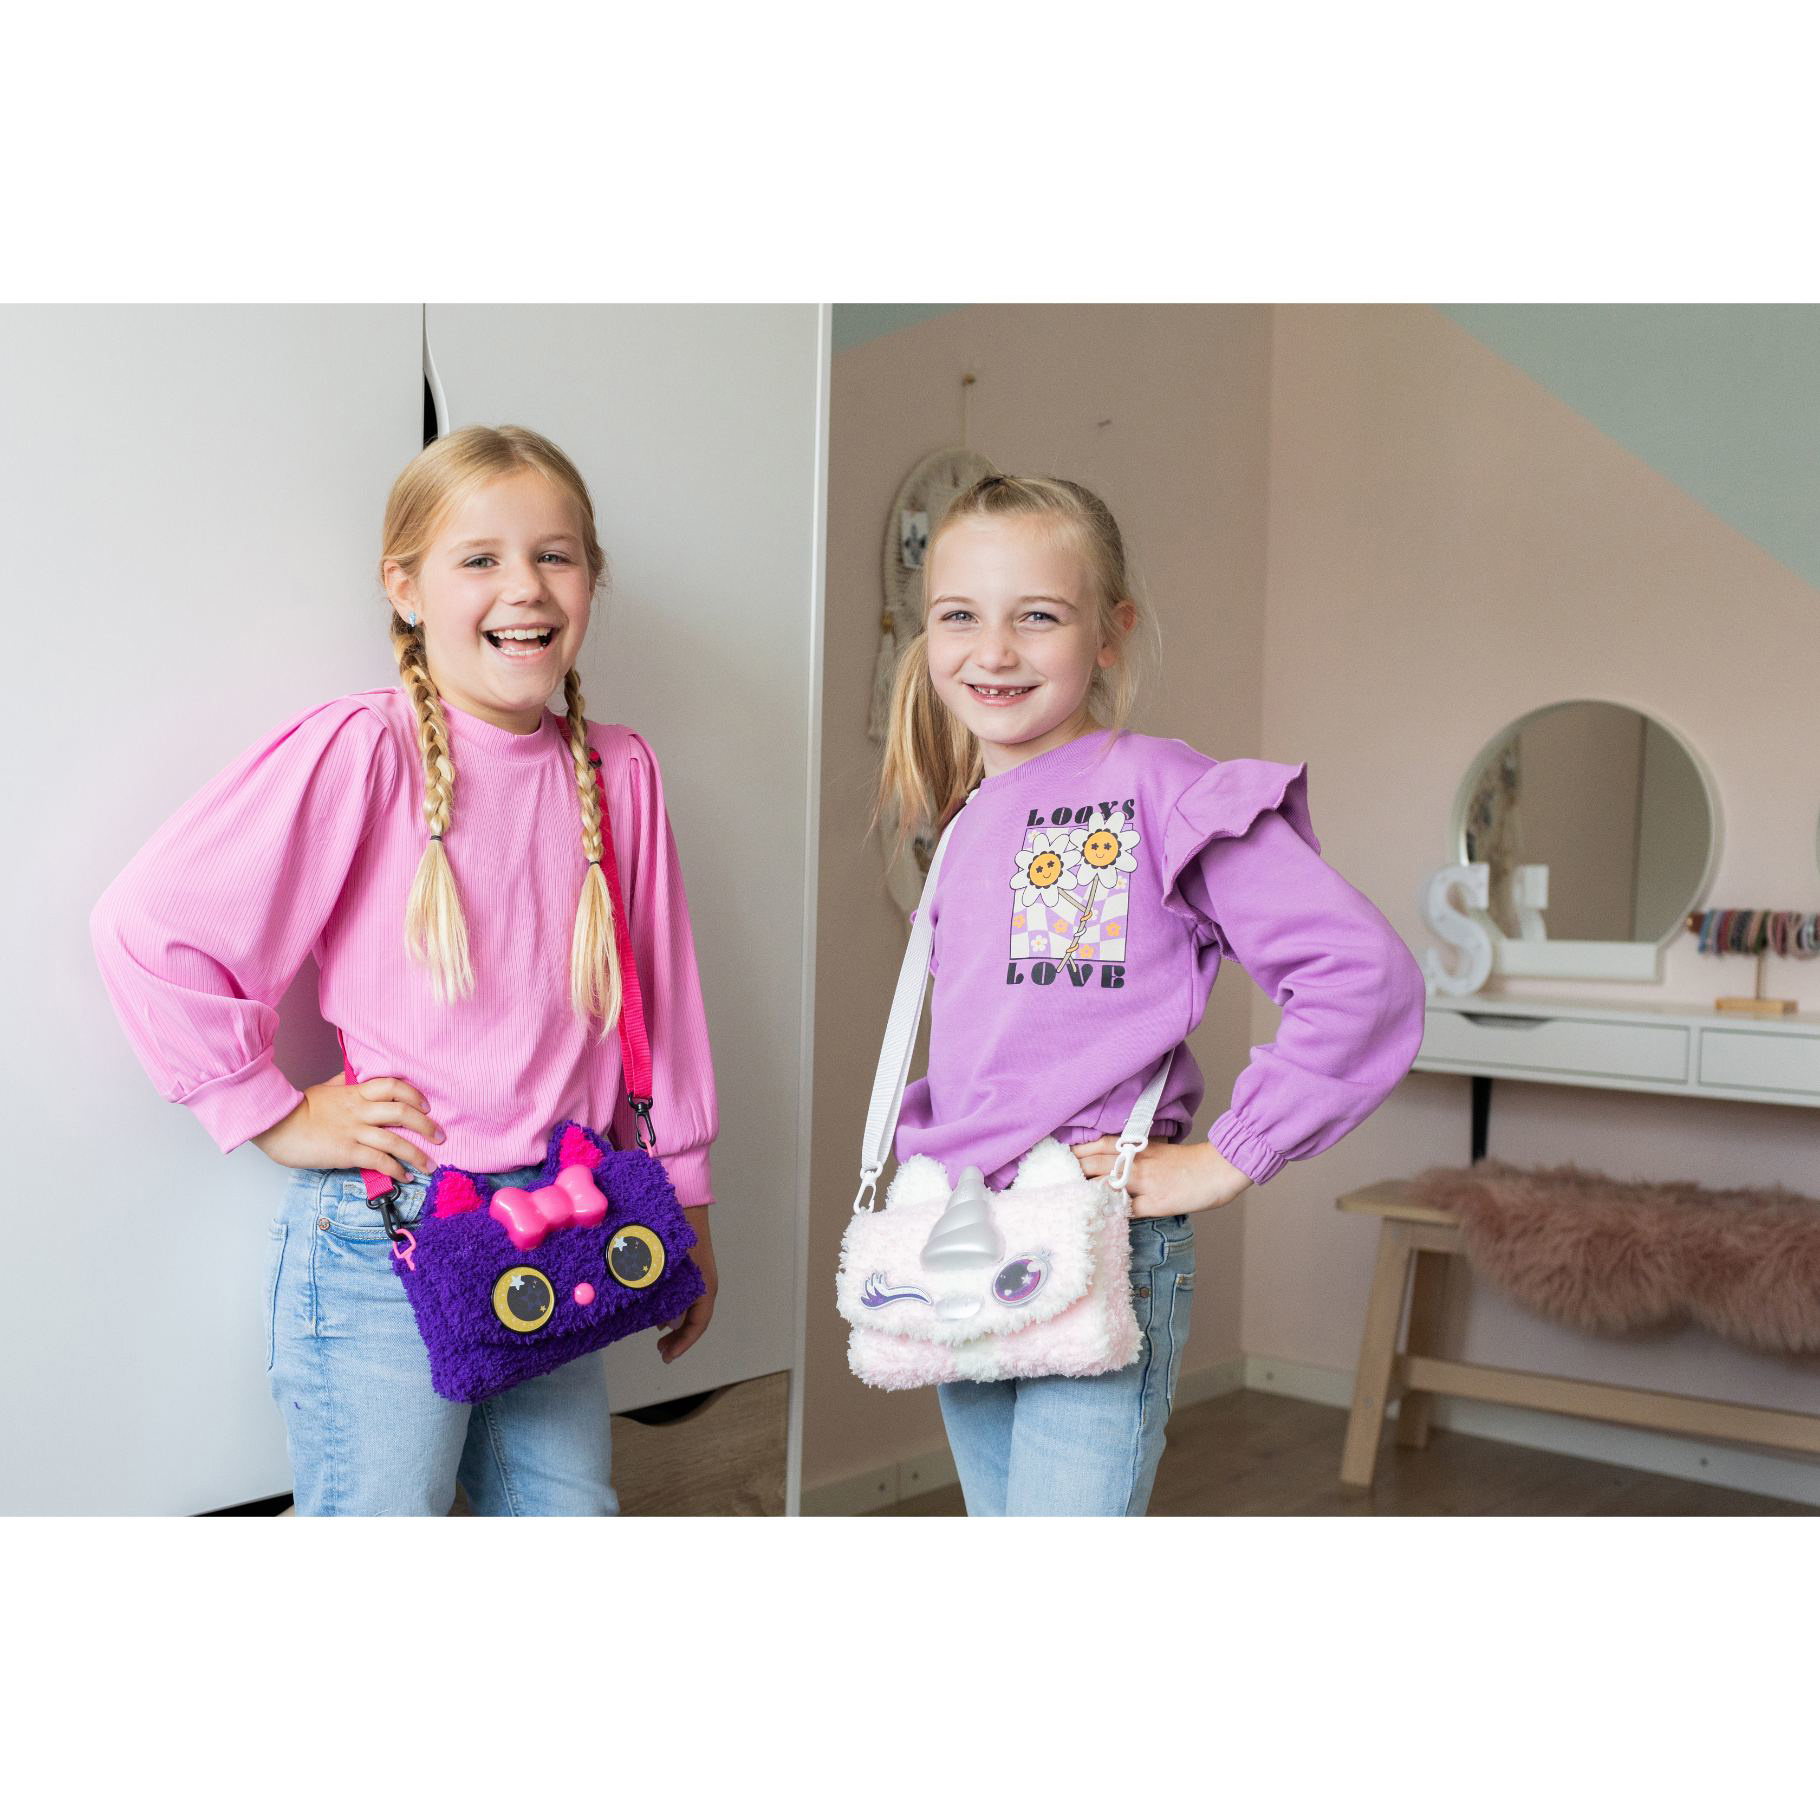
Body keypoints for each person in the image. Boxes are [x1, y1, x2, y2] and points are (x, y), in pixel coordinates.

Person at [90, 425, 718, 1516]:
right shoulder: (362, 750)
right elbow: (147, 925)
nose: (524, 587)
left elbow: (657, 1008)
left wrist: (688, 1192)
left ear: (590, 578)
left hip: (569, 1218)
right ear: (405, 587)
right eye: (479, 558)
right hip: (392, 1237)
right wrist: (271, 1112)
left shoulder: (618, 770)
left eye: (555, 555)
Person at [873, 473, 1426, 1516]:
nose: (993, 651)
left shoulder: (1161, 789)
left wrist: (1231, 1154)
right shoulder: (966, 822)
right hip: (961, 1230)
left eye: (1038, 616)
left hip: (1096, 1233)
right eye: (959, 616)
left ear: (1110, 632)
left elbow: (1364, 976)